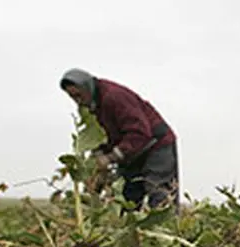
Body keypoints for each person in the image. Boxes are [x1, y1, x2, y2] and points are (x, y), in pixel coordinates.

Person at [59, 68, 180, 212]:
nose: (77, 101)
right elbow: (100, 137)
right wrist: (96, 164)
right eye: (73, 97)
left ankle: (170, 230)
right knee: (127, 201)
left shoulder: (114, 97)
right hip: (131, 154)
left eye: (79, 95)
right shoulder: (91, 107)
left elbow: (140, 133)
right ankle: (132, 233)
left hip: (156, 146)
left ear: (87, 87)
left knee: (160, 196)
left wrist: (109, 158)